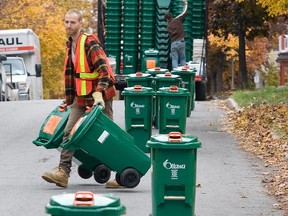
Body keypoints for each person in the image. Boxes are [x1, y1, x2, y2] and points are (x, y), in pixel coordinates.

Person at [42, 8, 119, 188]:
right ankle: (63, 172)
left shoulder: (89, 43)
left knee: (107, 137)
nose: (69, 25)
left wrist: (99, 92)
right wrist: (68, 101)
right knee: (69, 132)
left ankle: (121, 171)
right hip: (81, 98)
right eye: (66, 22)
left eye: (73, 22)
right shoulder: (70, 45)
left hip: (101, 97)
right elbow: (73, 76)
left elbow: (105, 72)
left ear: (80, 24)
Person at [165, 0, 188, 69]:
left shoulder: (168, 26)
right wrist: (186, 3)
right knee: (183, 58)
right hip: (181, 42)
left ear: (167, 19)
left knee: (174, 59)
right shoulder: (178, 20)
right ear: (171, 16)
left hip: (173, 44)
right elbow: (184, 12)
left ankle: (175, 73)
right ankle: (184, 73)